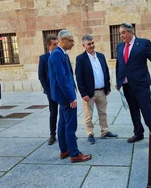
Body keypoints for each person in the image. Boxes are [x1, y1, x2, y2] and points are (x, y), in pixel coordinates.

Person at [115, 22, 151, 143]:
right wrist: (118, 80)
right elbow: (119, 65)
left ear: (130, 31)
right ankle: (138, 133)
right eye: (120, 33)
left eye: (123, 32)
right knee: (133, 111)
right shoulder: (120, 46)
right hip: (127, 86)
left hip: (141, 85)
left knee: (146, 110)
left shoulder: (143, 43)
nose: (121, 36)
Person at [48, 30, 91, 162]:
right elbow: (62, 79)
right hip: (65, 97)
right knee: (71, 125)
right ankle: (74, 153)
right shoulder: (57, 55)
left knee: (62, 123)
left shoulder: (61, 54)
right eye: (71, 40)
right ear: (63, 40)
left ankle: (64, 150)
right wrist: (71, 97)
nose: (73, 43)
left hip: (63, 97)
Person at [75, 34, 118, 144]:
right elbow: (79, 78)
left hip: (102, 91)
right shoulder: (80, 59)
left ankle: (105, 131)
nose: (92, 45)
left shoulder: (101, 56)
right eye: (89, 44)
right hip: (89, 93)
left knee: (103, 113)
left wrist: (107, 87)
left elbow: (106, 72)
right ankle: (90, 133)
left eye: (93, 43)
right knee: (88, 115)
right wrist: (83, 93)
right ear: (83, 45)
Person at [38, 35, 59, 145]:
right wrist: (48, 90)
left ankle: (67, 133)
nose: (57, 46)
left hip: (63, 90)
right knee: (53, 112)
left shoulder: (63, 56)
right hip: (52, 91)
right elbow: (41, 76)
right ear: (48, 46)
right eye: (54, 44)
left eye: (57, 44)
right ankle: (52, 134)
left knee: (65, 113)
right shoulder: (43, 58)